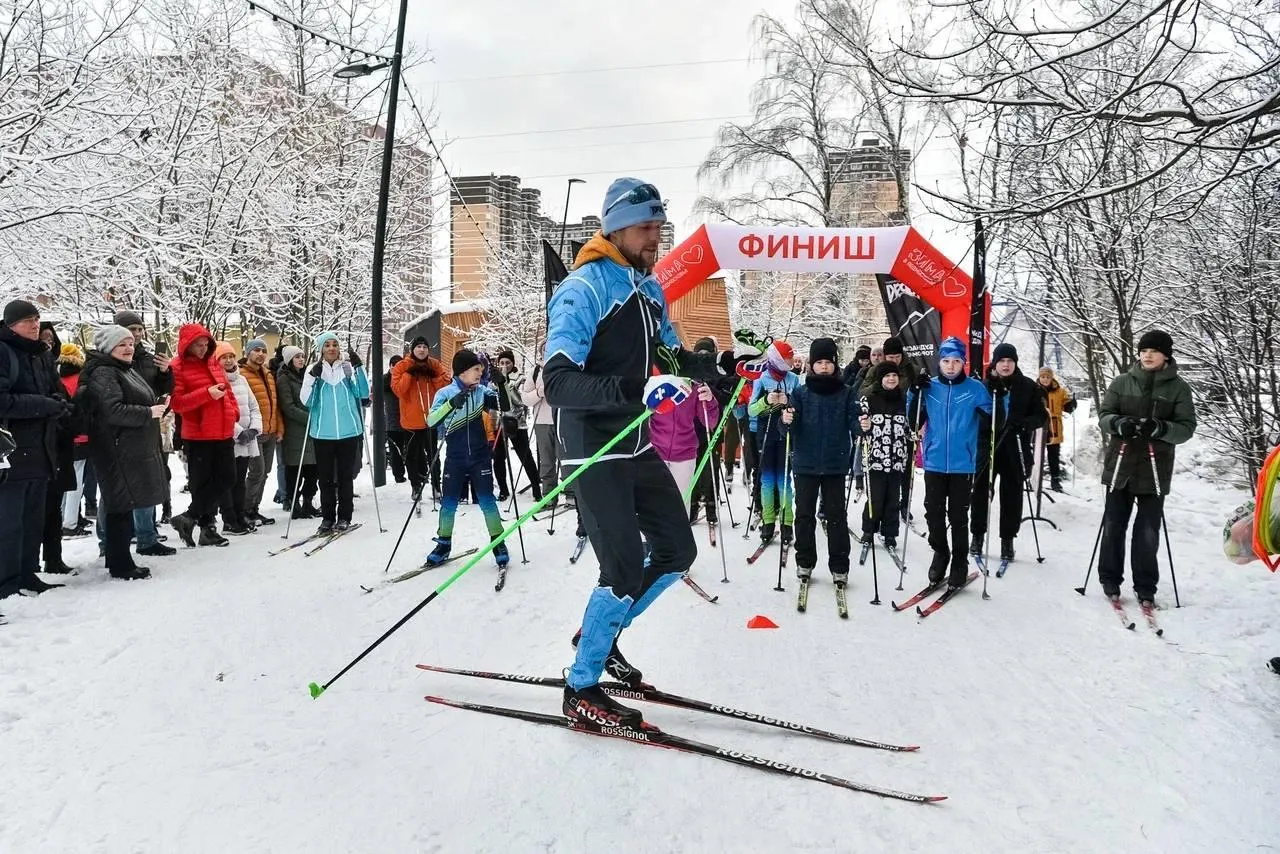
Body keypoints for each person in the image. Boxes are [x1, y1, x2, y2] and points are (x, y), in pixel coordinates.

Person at [543, 177, 715, 728]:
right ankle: (582, 686)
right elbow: (558, 383)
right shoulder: (583, 289)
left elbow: (670, 353)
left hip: (635, 442)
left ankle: (601, 632)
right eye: (646, 227)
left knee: (675, 551)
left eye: (660, 228)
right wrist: (631, 390)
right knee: (618, 568)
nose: (655, 238)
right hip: (594, 449)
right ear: (615, 226)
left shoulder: (649, 289)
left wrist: (726, 368)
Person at [1096, 330, 1196, 605]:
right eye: (1144, 350)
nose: (1148, 355)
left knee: (1148, 532)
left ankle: (1146, 586)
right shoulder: (1122, 382)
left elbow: (1187, 428)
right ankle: (1110, 579)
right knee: (1114, 525)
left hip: (1155, 466)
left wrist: (1162, 428)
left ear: (1166, 355)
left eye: (1154, 350)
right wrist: (1119, 424)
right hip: (1121, 464)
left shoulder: (1178, 388)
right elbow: (1104, 416)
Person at [79, 326, 169, 580]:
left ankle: (119, 558)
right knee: (121, 503)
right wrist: (147, 413)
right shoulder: (105, 372)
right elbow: (112, 410)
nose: (129, 348)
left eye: (130, 343)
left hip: (131, 446)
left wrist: (158, 405)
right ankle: (120, 563)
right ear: (109, 348)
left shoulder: (124, 370)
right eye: (122, 345)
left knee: (126, 502)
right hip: (116, 448)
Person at [908, 336, 993, 590]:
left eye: (956, 361)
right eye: (946, 361)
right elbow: (912, 420)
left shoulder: (975, 389)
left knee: (958, 516)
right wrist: (914, 391)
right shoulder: (929, 388)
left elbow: (995, 420)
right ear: (940, 362)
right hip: (934, 461)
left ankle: (959, 562)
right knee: (933, 512)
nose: (951, 366)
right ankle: (940, 552)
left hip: (962, 463)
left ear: (963, 363)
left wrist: (998, 400)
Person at [0, 299, 68, 602]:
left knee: (33, 519)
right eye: (28, 319)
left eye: (37, 318)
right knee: (9, 523)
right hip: (11, 452)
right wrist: (46, 406)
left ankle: (28, 574)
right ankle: (6, 583)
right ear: (11, 324)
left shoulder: (41, 355)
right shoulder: (4, 352)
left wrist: (60, 405)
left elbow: (56, 392)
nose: (35, 324)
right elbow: (3, 402)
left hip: (42, 449)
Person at [781, 338, 858, 584]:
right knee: (804, 514)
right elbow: (786, 430)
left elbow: (855, 422)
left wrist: (863, 426)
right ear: (812, 365)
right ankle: (804, 561)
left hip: (835, 463)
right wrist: (786, 420)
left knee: (836, 516)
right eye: (819, 362)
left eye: (828, 362)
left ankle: (839, 565)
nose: (824, 367)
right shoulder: (800, 393)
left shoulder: (846, 392)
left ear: (835, 365)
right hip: (805, 463)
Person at [423, 349, 508, 567]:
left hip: (480, 456)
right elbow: (431, 421)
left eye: (481, 369)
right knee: (449, 503)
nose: (480, 373)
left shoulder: (482, 392)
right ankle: (443, 544)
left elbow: (503, 406)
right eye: (475, 369)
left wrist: (501, 385)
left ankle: (498, 541)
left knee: (488, 501)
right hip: (456, 458)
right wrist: (452, 404)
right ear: (462, 371)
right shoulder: (444, 393)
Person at [969, 343, 1047, 563]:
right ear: (995, 362)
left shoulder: (1028, 386)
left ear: (1015, 363)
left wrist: (1023, 424)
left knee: (1012, 496)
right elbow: (974, 414)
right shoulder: (984, 386)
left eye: (1009, 361)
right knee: (980, 493)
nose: (1005, 365)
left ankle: (1007, 540)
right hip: (988, 446)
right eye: (1001, 361)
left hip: (1015, 447)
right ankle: (977, 536)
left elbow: (1041, 416)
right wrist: (987, 422)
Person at [168, 322, 238, 548]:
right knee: (201, 482)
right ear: (186, 345)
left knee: (227, 477)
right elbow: (178, 404)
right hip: (198, 434)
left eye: (205, 343)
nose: (202, 348)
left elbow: (228, 392)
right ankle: (207, 528)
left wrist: (233, 411)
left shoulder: (214, 363)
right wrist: (206, 394)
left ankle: (189, 517)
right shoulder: (177, 367)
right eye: (198, 344)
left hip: (223, 431)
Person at [300, 331, 370, 533]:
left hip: (349, 432)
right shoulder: (314, 370)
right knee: (326, 479)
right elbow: (307, 401)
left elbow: (362, 394)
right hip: (323, 433)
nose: (331, 348)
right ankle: (328, 518)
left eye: (334, 345)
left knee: (346, 477)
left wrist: (359, 368)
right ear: (320, 349)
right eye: (327, 345)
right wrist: (313, 378)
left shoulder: (347, 368)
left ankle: (345, 517)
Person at [747, 340, 800, 544]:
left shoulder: (794, 379)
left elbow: (800, 403)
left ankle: (787, 522)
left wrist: (789, 400)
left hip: (786, 435)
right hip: (766, 434)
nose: (791, 362)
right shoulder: (762, 379)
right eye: (787, 359)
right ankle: (768, 521)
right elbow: (752, 409)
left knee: (784, 481)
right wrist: (766, 401)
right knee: (767, 480)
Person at [856, 360, 911, 550]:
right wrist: (862, 426)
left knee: (892, 497)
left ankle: (890, 533)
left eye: (894, 375)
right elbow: (859, 424)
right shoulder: (869, 399)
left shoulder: (904, 399)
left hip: (896, 456)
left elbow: (910, 426)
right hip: (875, 457)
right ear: (880, 379)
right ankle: (869, 529)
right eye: (887, 376)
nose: (891, 379)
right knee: (876, 496)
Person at [391, 336, 450, 505]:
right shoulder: (403, 365)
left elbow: (445, 386)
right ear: (413, 349)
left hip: (431, 419)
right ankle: (416, 486)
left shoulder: (434, 364)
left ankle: (436, 486)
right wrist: (409, 374)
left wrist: (433, 377)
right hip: (411, 421)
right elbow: (398, 390)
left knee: (434, 455)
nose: (422, 350)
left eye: (425, 346)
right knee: (412, 456)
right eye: (418, 347)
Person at [649, 378, 719, 516]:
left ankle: (679, 536)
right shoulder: (656, 382)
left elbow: (710, 422)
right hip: (655, 451)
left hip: (684, 454)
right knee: (653, 503)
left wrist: (710, 400)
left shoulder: (693, 386)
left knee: (680, 505)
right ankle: (652, 537)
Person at [216, 342, 261, 535]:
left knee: (240, 480)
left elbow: (254, 406)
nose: (228, 360)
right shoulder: (216, 380)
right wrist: (238, 432)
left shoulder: (242, 380)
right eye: (224, 357)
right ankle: (229, 519)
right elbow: (220, 410)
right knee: (228, 480)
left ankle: (240, 514)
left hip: (247, 438)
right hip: (228, 438)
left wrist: (253, 429)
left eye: (231, 356)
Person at [238, 338, 282, 525]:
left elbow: (275, 404)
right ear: (248, 353)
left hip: (270, 431)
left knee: (265, 472)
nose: (261, 354)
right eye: (256, 350)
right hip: (253, 433)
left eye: (263, 350)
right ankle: (244, 510)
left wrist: (279, 428)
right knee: (257, 472)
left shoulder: (268, 374)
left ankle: (254, 508)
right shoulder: (242, 375)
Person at [491, 348, 542, 503]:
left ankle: (536, 487)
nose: (504, 365)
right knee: (498, 457)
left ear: (512, 363)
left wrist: (505, 383)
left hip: (516, 423)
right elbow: (492, 401)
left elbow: (520, 401)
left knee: (525, 455)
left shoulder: (520, 378)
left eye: (507, 362)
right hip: (498, 424)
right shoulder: (493, 379)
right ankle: (503, 489)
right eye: (501, 363)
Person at [276, 346, 318, 518]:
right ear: (289, 360)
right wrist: (309, 418)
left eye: (302, 356)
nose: (301, 359)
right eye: (296, 357)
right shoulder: (284, 379)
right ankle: (294, 503)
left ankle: (309, 502)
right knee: (295, 470)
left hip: (311, 430)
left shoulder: (306, 376)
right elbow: (288, 406)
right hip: (295, 431)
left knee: (312, 469)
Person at [57, 343, 92, 538]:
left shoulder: (58, 377)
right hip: (82, 434)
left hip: (65, 434)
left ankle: (63, 518)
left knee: (65, 478)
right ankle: (70, 522)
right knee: (77, 480)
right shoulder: (81, 379)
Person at [519, 358, 560, 504]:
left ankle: (572, 494)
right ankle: (549, 496)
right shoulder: (536, 371)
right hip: (542, 421)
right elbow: (525, 399)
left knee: (567, 459)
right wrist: (539, 392)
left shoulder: (565, 365)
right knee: (547, 461)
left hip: (563, 420)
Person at [1038, 367, 1076, 492]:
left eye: (1047, 377)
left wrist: (1071, 405)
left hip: (1054, 427)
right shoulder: (1034, 389)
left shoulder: (1059, 391)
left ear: (1051, 378)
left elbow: (1066, 406)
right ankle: (1034, 478)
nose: (1045, 379)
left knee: (1054, 455)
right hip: (1038, 425)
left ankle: (1055, 480)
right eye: (1043, 377)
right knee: (1037, 454)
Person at [383, 355, 408, 484]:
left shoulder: (407, 378)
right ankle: (398, 475)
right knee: (395, 450)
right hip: (392, 421)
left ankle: (415, 473)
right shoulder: (384, 380)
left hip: (408, 419)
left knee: (410, 449)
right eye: (394, 366)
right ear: (390, 366)